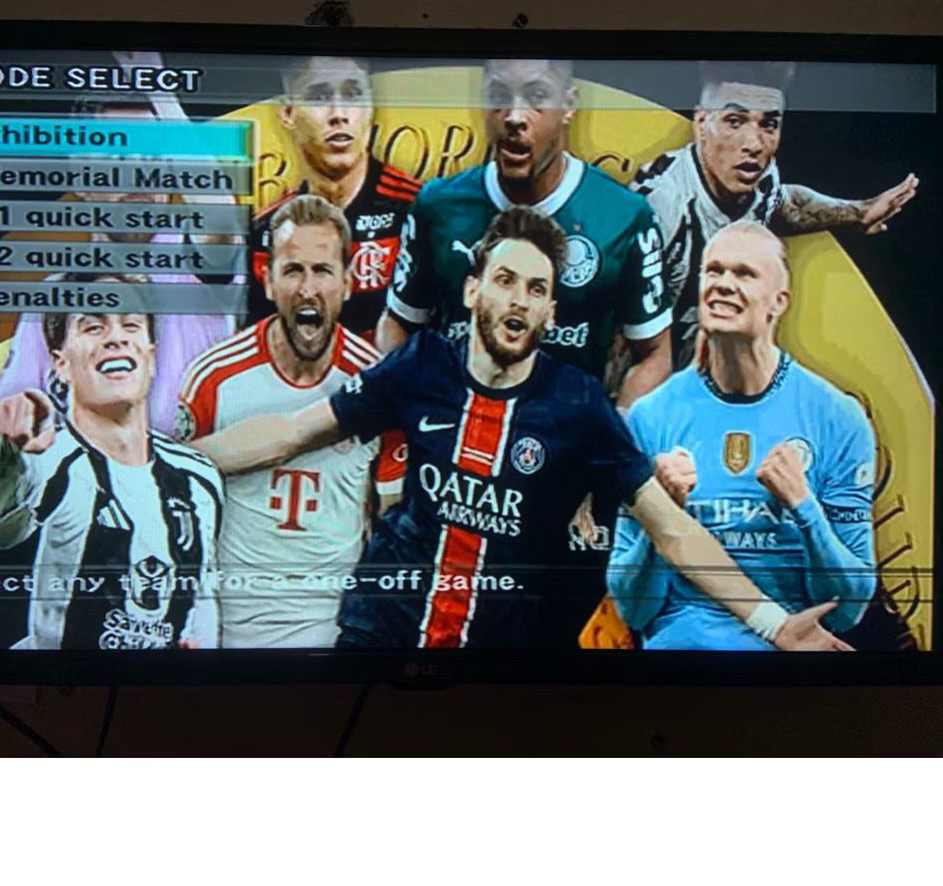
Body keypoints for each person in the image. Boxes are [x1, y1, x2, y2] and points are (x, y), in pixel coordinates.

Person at [192, 207, 850, 651]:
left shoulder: (578, 405)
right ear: (473, 291)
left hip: (499, 662)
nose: (519, 299)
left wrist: (775, 625)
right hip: (381, 639)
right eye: (505, 281)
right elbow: (289, 433)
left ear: (550, 311)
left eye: (536, 290)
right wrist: (164, 461)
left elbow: (674, 530)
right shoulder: (422, 366)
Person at [609, 223, 877, 649]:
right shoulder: (651, 416)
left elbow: (848, 611)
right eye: (713, 271)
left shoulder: (837, 418)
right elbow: (632, 610)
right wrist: (660, 517)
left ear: (779, 302)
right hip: (681, 663)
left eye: (744, 273)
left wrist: (804, 508)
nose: (723, 284)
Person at [378, 57, 671, 411]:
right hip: (454, 432)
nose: (515, 116)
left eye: (537, 97)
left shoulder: (623, 216)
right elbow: (398, 324)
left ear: (569, 105)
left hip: (566, 438)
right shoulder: (438, 206)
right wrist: (409, 415)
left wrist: (615, 430)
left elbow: (655, 352)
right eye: (499, 96)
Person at [176, 196, 403, 647]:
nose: (307, 288)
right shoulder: (213, 377)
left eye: (322, 271)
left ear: (348, 282)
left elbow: (391, 520)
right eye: (293, 270)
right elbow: (177, 507)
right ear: (268, 281)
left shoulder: (376, 385)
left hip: (336, 638)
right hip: (229, 637)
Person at [0, 86, 235, 442]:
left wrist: (160, 94)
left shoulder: (195, 263)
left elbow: (220, 216)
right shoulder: (54, 295)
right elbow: (1, 421)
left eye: (153, 155)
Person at [0, 275, 223, 650]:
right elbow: (2, 489)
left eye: (131, 324)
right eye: (93, 326)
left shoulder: (198, 477)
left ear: (151, 355)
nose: (116, 337)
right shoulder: (45, 460)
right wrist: (7, 438)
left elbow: (203, 603)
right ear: (61, 363)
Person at [631, 60, 919, 368]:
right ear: (701, 123)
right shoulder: (661, 210)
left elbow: (782, 203)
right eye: (734, 121)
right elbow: (621, 337)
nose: (754, 144)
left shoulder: (758, 177)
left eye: (768, 124)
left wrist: (859, 213)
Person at [247, 55, 419, 341]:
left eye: (353, 95)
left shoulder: (418, 209)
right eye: (319, 97)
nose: (339, 113)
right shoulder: (266, 232)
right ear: (288, 113)